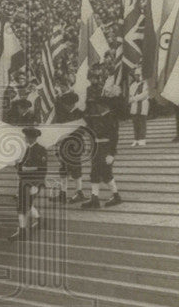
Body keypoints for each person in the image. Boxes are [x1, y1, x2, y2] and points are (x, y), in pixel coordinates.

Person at [81, 93, 123, 209]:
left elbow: (114, 136)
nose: (92, 107)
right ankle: (95, 198)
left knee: (106, 173)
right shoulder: (93, 117)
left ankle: (116, 196)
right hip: (96, 147)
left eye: (94, 104)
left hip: (106, 147)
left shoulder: (110, 117)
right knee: (94, 173)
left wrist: (111, 153)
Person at [8, 127, 47, 242]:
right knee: (25, 206)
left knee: (22, 207)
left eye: (26, 136)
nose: (24, 138)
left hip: (32, 183)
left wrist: (35, 185)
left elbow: (42, 169)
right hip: (24, 182)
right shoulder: (28, 149)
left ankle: (22, 231)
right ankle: (39, 221)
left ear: (31, 138)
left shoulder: (40, 150)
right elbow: (23, 167)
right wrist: (17, 164)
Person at [52, 74, 86, 203]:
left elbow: (81, 132)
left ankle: (79, 192)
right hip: (64, 144)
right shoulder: (64, 115)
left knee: (76, 169)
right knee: (63, 169)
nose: (65, 106)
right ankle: (63, 192)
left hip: (75, 145)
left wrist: (68, 135)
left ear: (72, 103)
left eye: (67, 104)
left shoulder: (79, 114)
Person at [127, 64, 149, 146]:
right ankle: (136, 138)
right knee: (135, 123)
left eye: (138, 75)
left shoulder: (145, 83)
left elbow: (145, 94)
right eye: (135, 75)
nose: (136, 77)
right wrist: (131, 99)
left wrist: (135, 98)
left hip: (142, 104)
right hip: (134, 105)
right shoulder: (133, 85)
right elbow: (130, 94)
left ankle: (142, 138)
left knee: (142, 122)